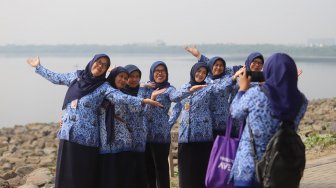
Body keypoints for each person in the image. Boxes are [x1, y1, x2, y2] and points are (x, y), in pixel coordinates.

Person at [26, 55, 162, 188]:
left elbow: (121, 97)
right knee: (65, 172)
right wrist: (38, 67)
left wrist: (142, 100)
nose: (100, 66)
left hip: (87, 137)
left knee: (82, 176)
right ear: (92, 62)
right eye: (99, 62)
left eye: (104, 65)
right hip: (68, 132)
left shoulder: (103, 87)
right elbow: (57, 78)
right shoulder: (77, 77)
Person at [229, 53, 308, 188]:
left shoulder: (256, 94)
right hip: (281, 165)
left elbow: (235, 112)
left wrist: (242, 89)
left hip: (250, 167)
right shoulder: (301, 101)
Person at [171, 61, 233, 188]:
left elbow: (221, 87)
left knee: (201, 171)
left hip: (203, 136)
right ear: (193, 72)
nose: (200, 74)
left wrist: (234, 76)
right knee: (186, 172)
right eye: (198, 71)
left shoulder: (209, 87)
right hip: (185, 137)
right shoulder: (185, 87)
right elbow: (175, 100)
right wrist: (190, 90)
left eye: (204, 72)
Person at [144, 61, 190, 188]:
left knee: (161, 168)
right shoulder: (145, 88)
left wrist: (170, 122)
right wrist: (151, 95)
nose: (160, 73)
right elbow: (142, 112)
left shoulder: (169, 89)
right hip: (144, 135)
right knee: (147, 168)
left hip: (161, 135)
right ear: (152, 73)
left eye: (163, 71)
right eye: (157, 70)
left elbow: (177, 100)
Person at [185, 46, 236, 138]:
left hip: (222, 120)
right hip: (206, 122)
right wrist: (199, 56)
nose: (218, 67)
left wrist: (200, 56)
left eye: (221, 65)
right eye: (216, 65)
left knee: (221, 149)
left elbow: (235, 71)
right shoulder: (205, 78)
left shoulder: (227, 78)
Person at [123, 64, 151, 188]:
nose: (134, 79)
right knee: (126, 170)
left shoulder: (142, 92)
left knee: (140, 169)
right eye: (131, 76)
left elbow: (145, 113)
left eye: (137, 77)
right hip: (123, 137)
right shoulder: (119, 92)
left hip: (139, 137)